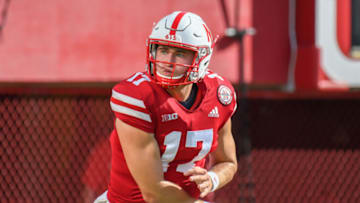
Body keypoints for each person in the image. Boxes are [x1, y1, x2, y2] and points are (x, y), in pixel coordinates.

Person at [95, 11, 238, 203]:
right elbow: (153, 193)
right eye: (163, 51)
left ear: (201, 58)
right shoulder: (138, 96)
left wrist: (213, 179)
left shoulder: (219, 95)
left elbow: (228, 162)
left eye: (179, 53)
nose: (167, 62)